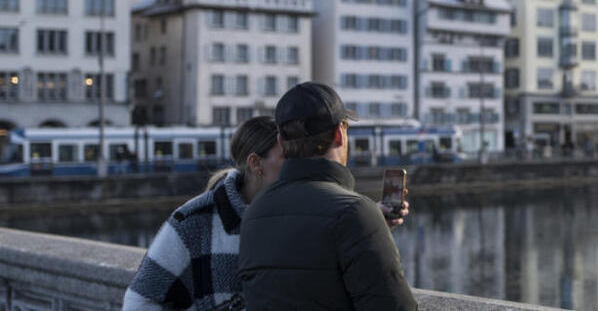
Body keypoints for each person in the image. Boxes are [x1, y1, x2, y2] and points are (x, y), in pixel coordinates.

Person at [238, 82, 417, 310]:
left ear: (281, 142)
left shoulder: (255, 211)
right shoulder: (354, 212)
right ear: (339, 134)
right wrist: (368, 226)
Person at [123, 116, 284, 310]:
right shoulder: (193, 221)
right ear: (256, 163)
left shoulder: (298, 214)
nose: (296, 166)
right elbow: (139, 301)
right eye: (286, 158)